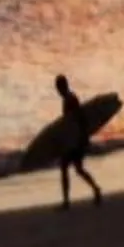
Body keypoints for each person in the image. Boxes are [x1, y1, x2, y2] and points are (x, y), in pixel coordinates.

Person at [51, 73, 106, 207]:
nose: (57, 90)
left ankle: (67, 202)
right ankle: (95, 189)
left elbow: (80, 119)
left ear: (63, 86)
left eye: (58, 87)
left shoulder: (70, 99)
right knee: (78, 169)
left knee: (66, 167)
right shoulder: (68, 98)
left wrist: (83, 138)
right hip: (74, 139)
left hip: (75, 141)